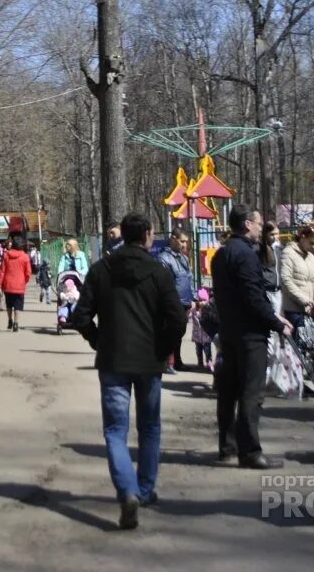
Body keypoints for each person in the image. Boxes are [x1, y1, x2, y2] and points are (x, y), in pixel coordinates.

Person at [70, 213, 186, 531]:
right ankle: (144, 490)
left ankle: (128, 492)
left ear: (123, 234)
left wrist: (99, 341)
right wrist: (164, 349)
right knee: (149, 429)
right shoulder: (158, 272)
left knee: (115, 432)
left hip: (113, 361)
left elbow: (80, 317)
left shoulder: (100, 270)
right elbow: (178, 319)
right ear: (148, 235)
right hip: (149, 362)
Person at [212, 205, 293, 469]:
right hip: (249, 335)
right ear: (247, 224)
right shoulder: (245, 255)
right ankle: (250, 452)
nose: (261, 228)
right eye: (258, 223)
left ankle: (227, 446)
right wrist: (276, 323)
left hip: (229, 332)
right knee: (250, 392)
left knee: (228, 392)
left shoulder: (221, 255)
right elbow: (253, 297)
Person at [156, 229, 194, 373]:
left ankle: (177, 361)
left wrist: (194, 297)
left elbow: (189, 278)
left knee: (179, 333)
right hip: (172, 303)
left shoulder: (183, 258)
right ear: (173, 239)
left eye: (186, 241)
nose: (185, 244)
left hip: (184, 301)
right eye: (182, 241)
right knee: (171, 332)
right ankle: (168, 362)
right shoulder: (163, 258)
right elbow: (165, 283)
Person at [279, 225, 314, 334]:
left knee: (310, 345)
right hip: (294, 310)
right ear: (302, 237)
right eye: (311, 243)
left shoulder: (311, 257)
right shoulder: (288, 253)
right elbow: (286, 281)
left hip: (310, 309)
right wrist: (305, 300)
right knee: (298, 346)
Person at [0, 235, 34, 332]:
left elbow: (2, 271)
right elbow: (28, 272)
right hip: (19, 285)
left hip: (8, 284)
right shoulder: (25, 257)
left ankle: (10, 320)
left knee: (9, 304)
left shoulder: (6, 255)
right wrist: (24, 281)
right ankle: (16, 323)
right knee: (18, 305)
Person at [191, 288, 214, 371]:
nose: (202, 302)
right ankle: (200, 362)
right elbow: (190, 314)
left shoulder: (208, 308)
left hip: (206, 334)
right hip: (197, 334)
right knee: (198, 349)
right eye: (200, 300)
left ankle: (209, 362)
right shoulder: (194, 309)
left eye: (204, 300)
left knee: (207, 349)